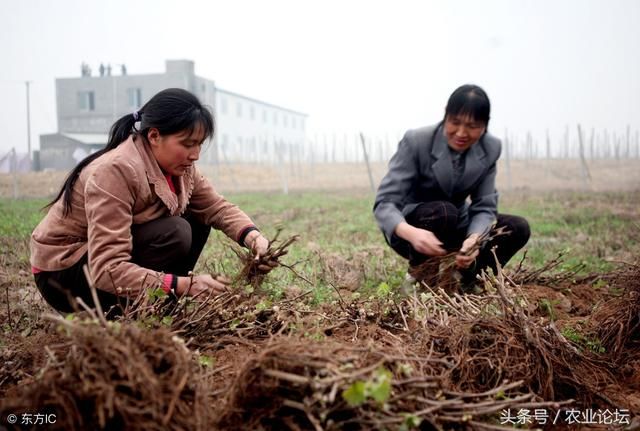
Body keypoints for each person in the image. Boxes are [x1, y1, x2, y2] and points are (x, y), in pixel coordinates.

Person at [31, 88, 270, 314]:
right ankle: (130, 308)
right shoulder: (116, 171)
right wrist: (186, 285)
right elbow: (107, 269)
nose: (195, 154)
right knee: (175, 231)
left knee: (197, 218)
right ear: (154, 136)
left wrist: (254, 238)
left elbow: (216, 207)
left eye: (199, 144)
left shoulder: (182, 168)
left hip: (96, 267)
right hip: (64, 274)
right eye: (187, 144)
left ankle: (159, 306)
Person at [373, 84, 530, 291]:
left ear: (485, 125)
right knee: (444, 212)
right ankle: (419, 278)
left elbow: (484, 206)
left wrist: (474, 239)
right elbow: (385, 203)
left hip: (456, 225)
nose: (461, 133)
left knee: (517, 227)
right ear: (445, 116)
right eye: (455, 123)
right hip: (415, 228)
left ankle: (466, 278)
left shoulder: (491, 147)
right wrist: (411, 233)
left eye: (473, 126)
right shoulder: (417, 141)